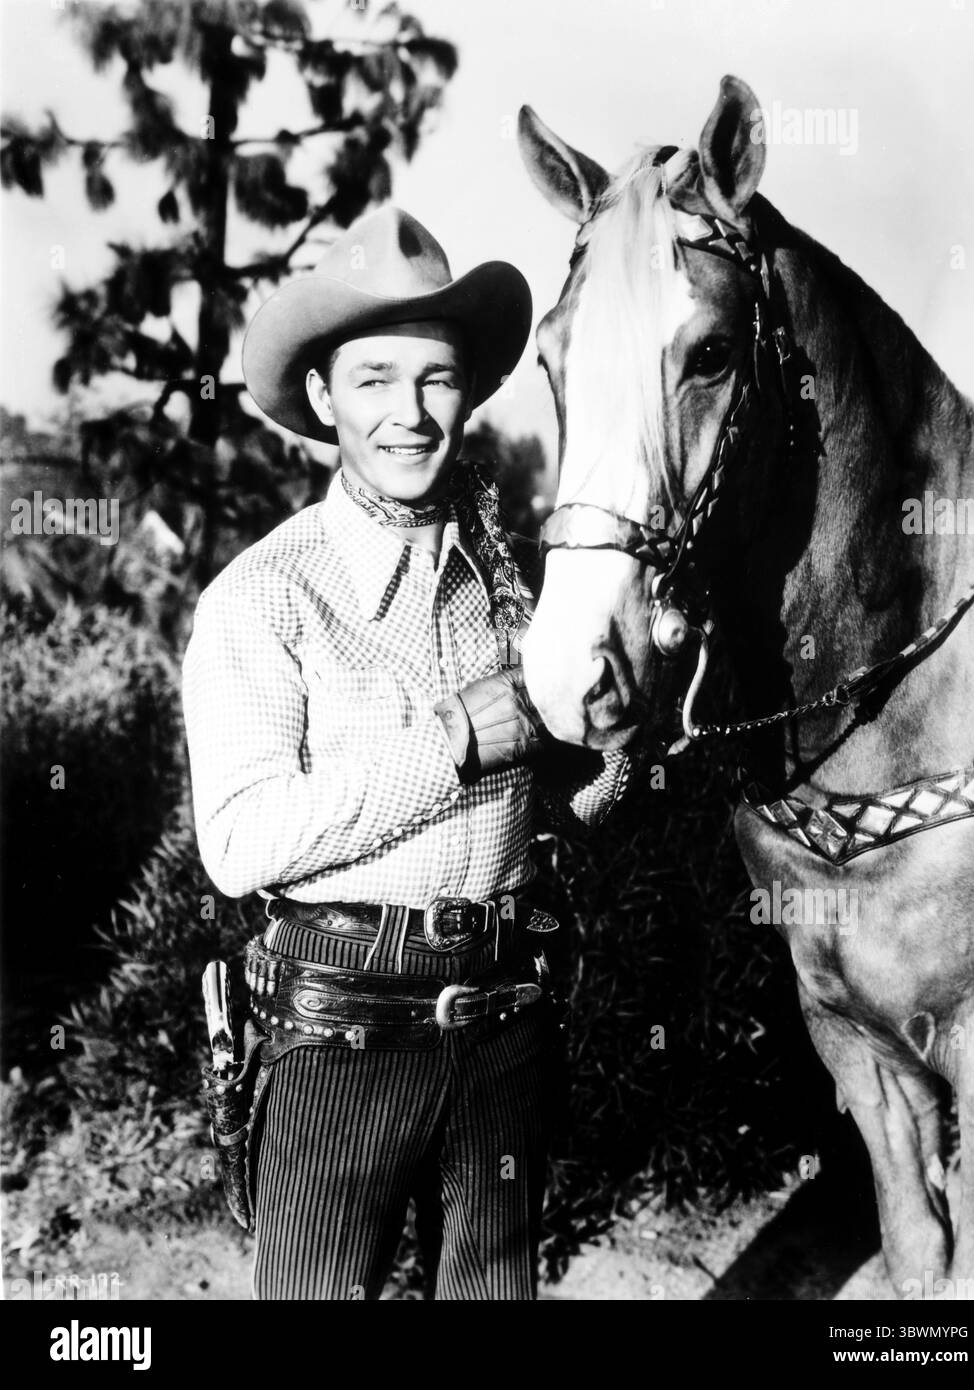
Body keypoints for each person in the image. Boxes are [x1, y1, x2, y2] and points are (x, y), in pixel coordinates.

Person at [182, 205, 633, 1300]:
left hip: (505, 1022)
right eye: (374, 378)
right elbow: (240, 845)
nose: (410, 414)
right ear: (324, 398)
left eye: (435, 378)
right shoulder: (263, 597)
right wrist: (456, 738)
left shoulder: (514, 587)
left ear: (468, 393)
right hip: (339, 1030)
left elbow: (558, 816)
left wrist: (613, 762)